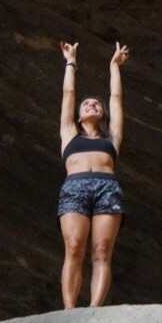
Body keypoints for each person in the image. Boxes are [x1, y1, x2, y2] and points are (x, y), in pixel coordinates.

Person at [56, 39, 130, 308]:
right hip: (74, 187)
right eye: (86, 104)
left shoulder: (113, 137)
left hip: (106, 188)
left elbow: (116, 99)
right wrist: (71, 62)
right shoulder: (68, 134)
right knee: (74, 247)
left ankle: (94, 311)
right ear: (77, 116)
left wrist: (114, 66)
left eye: (96, 105)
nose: (91, 105)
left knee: (101, 251)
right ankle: (69, 311)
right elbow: (68, 95)